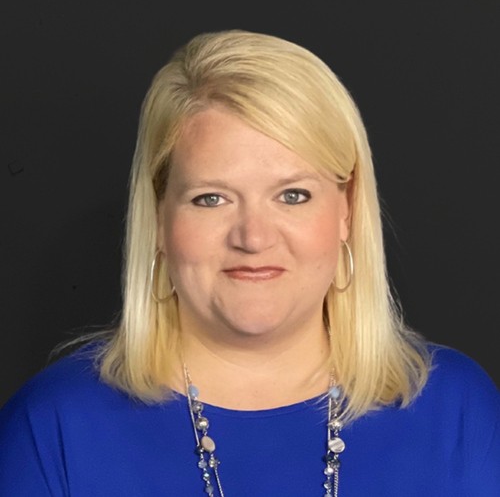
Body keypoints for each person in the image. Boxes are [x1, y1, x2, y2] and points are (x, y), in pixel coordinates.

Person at [0, 29, 498, 497]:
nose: (253, 238)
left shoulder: (459, 413)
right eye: (211, 199)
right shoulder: (52, 429)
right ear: (159, 218)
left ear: (347, 210)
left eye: (293, 195)